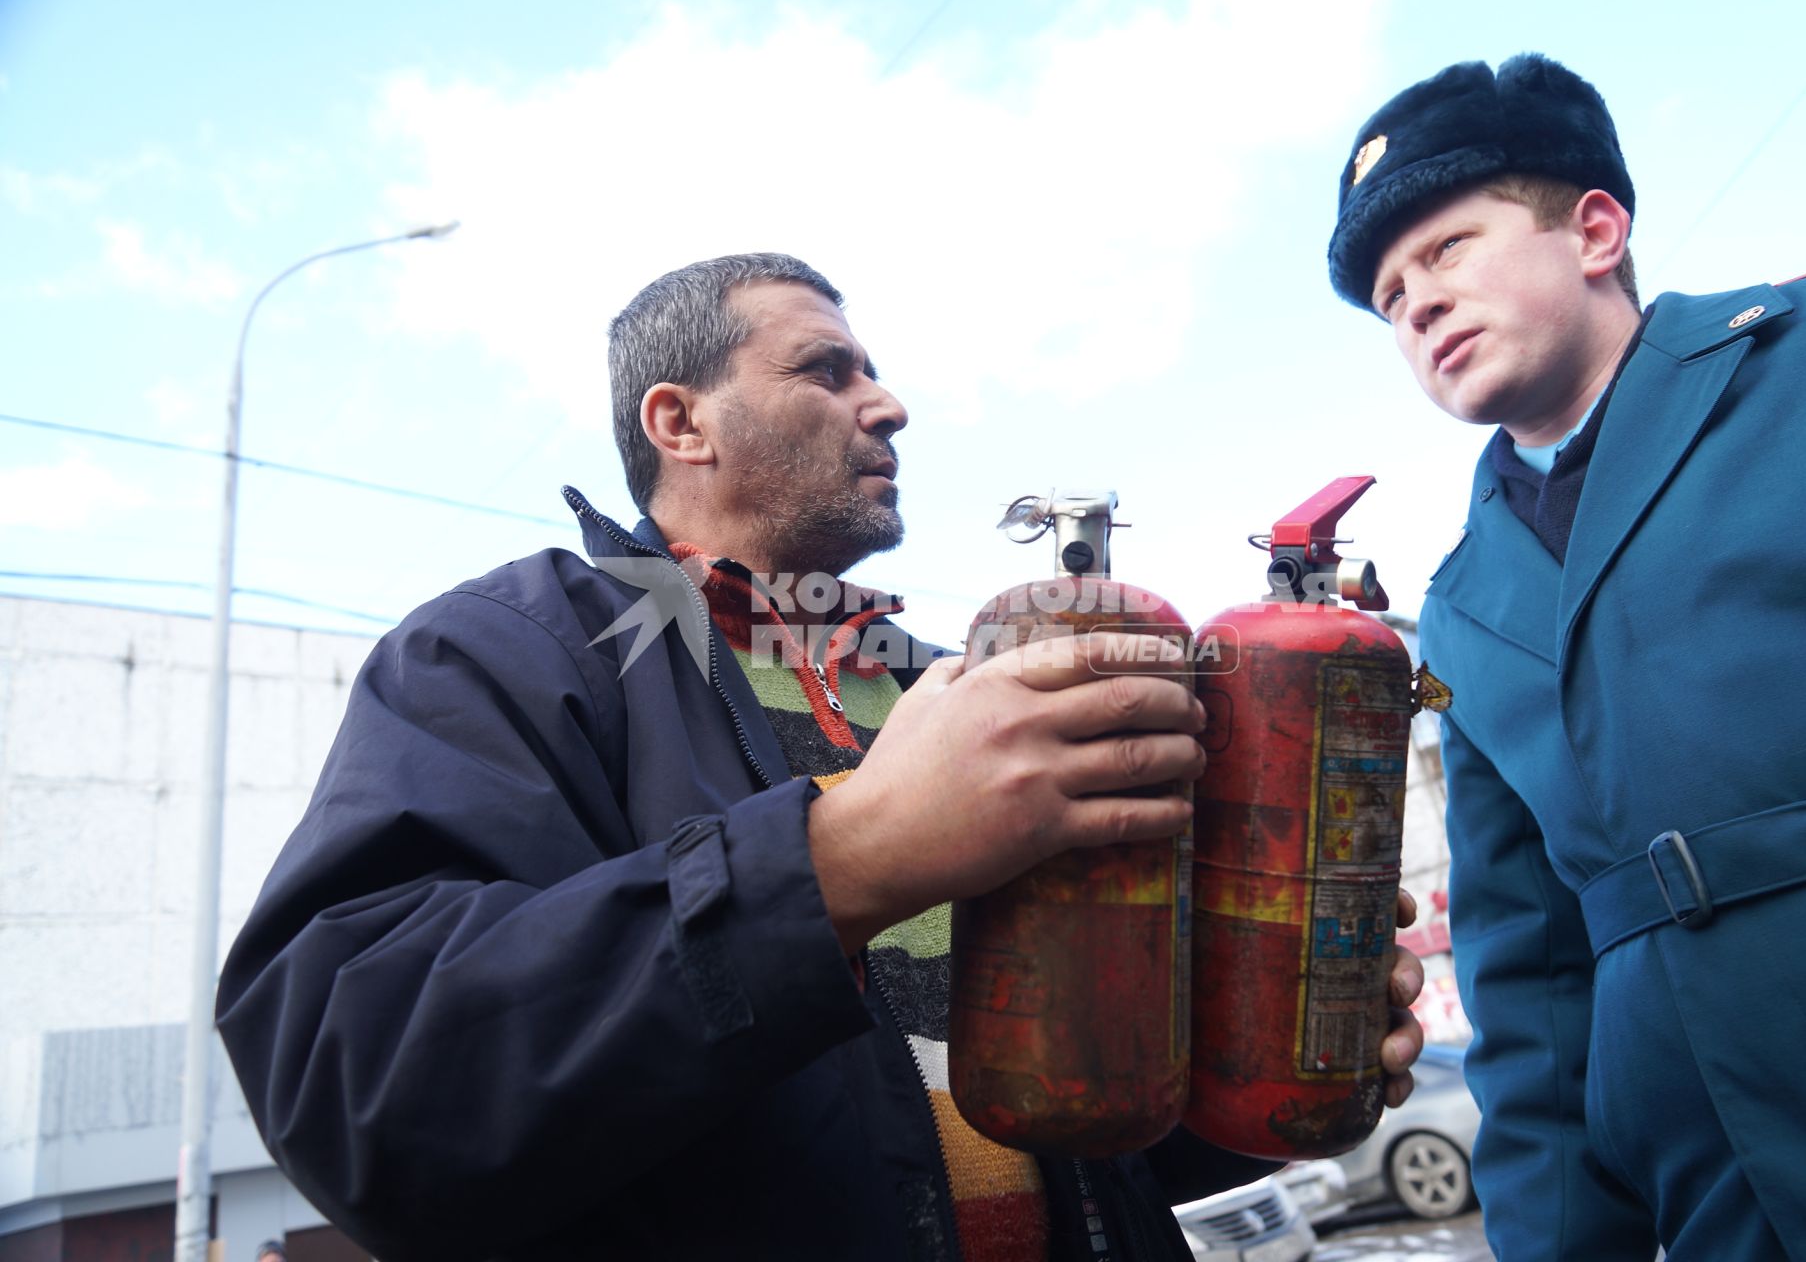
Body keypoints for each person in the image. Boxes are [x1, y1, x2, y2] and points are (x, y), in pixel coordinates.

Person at [216, 252, 1427, 1261]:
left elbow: (1084, 1134)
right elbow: (362, 1083)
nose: (886, 402)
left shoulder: (943, 683)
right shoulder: (508, 654)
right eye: (824, 369)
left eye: (876, 371)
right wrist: (842, 857)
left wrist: (1243, 1050)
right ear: (676, 420)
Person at [1328, 54, 1806, 1259]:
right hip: (1725, 1194)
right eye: (1390, 296)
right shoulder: (1459, 603)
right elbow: (1528, 982)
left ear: (1592, 229)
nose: (1416, 304)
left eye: (1445, 249)